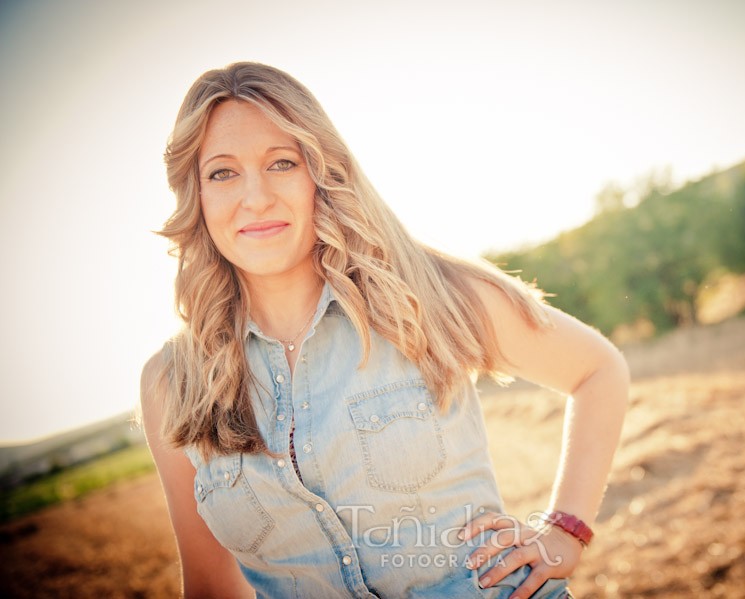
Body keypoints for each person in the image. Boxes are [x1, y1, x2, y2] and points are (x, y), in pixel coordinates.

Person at [140, 61, 630, 599]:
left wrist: (564, 531)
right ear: (197, 194)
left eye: (281, 162)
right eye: (223, 172)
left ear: (319, 174)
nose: (255, 197)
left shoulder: (426, 294)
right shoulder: (172, 383)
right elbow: (211, 587)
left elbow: (597, 369)